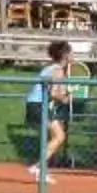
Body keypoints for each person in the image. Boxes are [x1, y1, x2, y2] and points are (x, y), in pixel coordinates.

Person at [28, 39, 78, 174]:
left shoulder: (53, 68)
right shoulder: (57, 70)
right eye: (71, 52)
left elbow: (57, 91)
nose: (74, 55)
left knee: (57, 136)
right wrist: (65, 98)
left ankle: (41, 170)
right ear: (65, 55)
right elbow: (55, 93)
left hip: (38, 104)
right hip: (38, 105)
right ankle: (37, 167)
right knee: (59, 136)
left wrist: (65, 94)